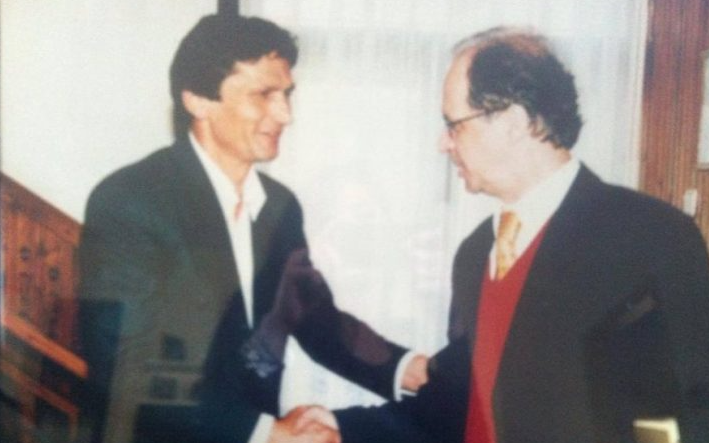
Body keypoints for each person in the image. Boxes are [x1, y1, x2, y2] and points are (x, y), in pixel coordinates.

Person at [305, 27, 709, 443]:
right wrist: (341, 428)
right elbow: (459, 403)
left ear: (513, 122)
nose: (443, 143)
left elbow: (688, 412)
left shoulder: (648, 237)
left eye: (454, 125)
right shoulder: (476, 253)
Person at [78, 14, 427, 443]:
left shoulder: (281, 207)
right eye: (264, 95)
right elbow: (123, 362)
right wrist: (264, 431)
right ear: (198, 101)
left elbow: (314, 319)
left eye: (287, 95)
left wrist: (407, 369)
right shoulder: (129, 200)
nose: (286, 114)